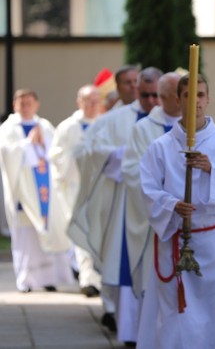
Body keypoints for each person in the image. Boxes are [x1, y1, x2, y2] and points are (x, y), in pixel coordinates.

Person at [137, 74, 215, 349]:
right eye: (188, 95)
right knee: (174, 312)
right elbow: (147, 188)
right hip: (174, 234)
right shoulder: (161, 146)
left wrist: (213, 171)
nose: (195, 101)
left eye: (200, 95)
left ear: (208, 99)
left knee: (213, 311)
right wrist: (172, 204)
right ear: (178, 100)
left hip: (210, 239)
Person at [68, 66, 162, 344]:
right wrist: (120, 156)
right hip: (126, 203)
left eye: (140, 83)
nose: (137, 89)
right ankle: (130, 331)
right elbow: (88, 152)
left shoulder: (170, 120)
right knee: (127, 264)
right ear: (120, 88)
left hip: (159, 207)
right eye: (131, 84)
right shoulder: (114, 120)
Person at [0, 89, 74, 292]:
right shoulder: (8, 128)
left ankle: (48, 278)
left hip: (46, 192)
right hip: (23, 193)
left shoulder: (45, 126)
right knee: (26, 238)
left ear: (37, 105)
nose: (25, 107)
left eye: (29, 103)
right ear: (14, 105)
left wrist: (44, 143)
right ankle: (26, 280)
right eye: (21, 103)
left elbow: (56, 152)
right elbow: (7, 154)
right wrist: (27, 144)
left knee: (48, 234)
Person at [122, 72, 182, 299]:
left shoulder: (197, 128)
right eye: (178, 95)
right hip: (155, 217)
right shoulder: (144, 128)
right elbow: (131, 170)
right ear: (163, 97)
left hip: (188, 216)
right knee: (156, 284)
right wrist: (165, 196)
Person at [49, 84, 103, 297]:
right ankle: (88, 279)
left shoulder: (104, 124)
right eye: (88, 101)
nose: (92, 105)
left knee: (99, 234)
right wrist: (76, 156)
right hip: (75, 189)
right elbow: (56, 156)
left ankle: (97, 278)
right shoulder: (67, 127)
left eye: (96, 100)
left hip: (99, 189)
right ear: (79, 102)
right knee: (82, 232)